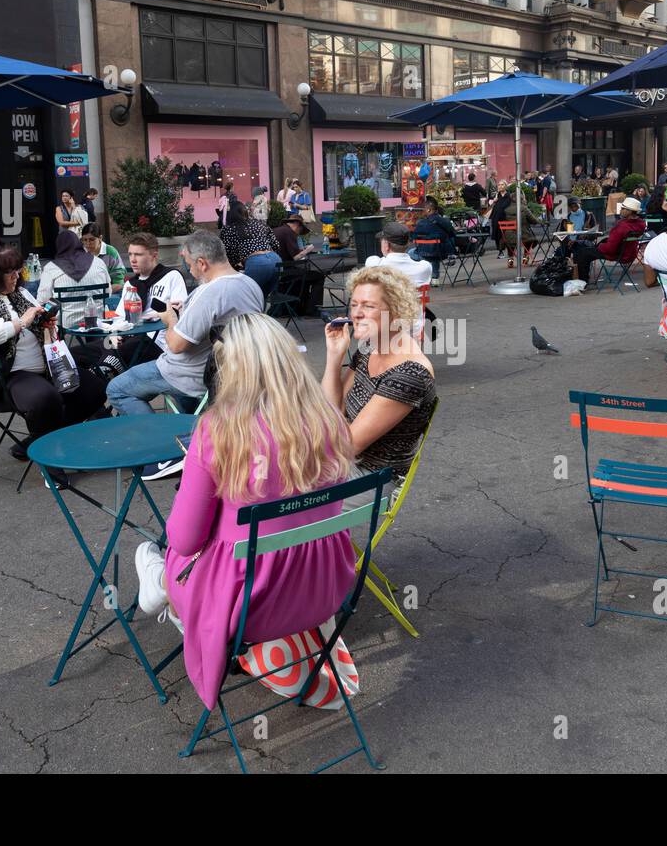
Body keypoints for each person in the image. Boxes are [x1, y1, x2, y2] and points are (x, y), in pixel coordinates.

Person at [132, 311, 357, 703]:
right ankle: (162, 586)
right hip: (323, 588)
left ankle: (163, 586)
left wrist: (197, 475)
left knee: (159, 551)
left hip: (248, 604)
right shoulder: (330, 420)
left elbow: (184, 540)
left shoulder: (218, 432)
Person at [107, 231, 263, 479]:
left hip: (189, 373)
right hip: (230, 371)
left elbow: (178, 345)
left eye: (190, 265)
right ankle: (192, 434)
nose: (189, 271)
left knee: (117, 388)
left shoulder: (209, 292)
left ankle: (163, 454)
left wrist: (170, 320)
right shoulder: (250, 284)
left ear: (202, 263)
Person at [0, 240, 108, 484]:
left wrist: (47, 323)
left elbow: (38, 315)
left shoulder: (19, 293)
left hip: (44, 366)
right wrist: (22, 323)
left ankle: (35, 442)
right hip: (6, 376)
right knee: (45, 398)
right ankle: (51, 462)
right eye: (9, 271)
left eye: (18, 269)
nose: (17, 276)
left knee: (94, 389)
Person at [323, 266, 437, 478]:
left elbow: (348, 447)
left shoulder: (410, 374)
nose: (356, 313)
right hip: (345, 465)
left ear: (396, 312)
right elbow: (332, 409)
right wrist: (334, 356)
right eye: (354, 304)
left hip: (370, 478)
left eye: (368, 306)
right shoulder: (368, 349)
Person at [120, 231, 190, 364]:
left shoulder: (171, 276)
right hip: (129, 338)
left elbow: (181, 312)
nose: (132, 259)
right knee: (85, 351)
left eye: (138, 255)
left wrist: (158, 314)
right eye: (130, 254)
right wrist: (113, 336)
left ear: (154, 255)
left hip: (157, 343)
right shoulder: (130, 284)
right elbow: (119, 317)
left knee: (118, 352)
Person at [35, 229, 113, 330]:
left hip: (65, 323)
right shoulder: (99, 263)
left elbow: (42, 300)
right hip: (97, 320)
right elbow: (108, 292)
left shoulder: (51, 268)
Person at [565, 198, 646, 284]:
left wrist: (599, 246)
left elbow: (610, 248)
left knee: (582, 253)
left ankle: (582, 281)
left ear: (630, 211)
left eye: (623, 208)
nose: (621, 210)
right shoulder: (640, 224)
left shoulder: (622, 226)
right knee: (586, 250)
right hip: (629, 252)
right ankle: (582, 279)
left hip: (617, 254)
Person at [220, 201, 282, 298]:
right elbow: (276, 245)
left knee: (247, 297)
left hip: (256, 262)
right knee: (262, 297)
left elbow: (227, 251)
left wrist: (236, 264)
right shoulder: (259, 224)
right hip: (276, 260)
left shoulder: (229, 229)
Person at [275, 212, 325, 316]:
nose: (299, 233)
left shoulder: (277, 230)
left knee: (306, 275)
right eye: (300, 230)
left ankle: (301, 308)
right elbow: (296, 257)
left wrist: (300, 250)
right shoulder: (289, 232)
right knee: (319, 276)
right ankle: (312, 310)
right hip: (286, 272)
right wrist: (308, 249)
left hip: (277, 271)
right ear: (298, 225)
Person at [364, 222, 432, 289]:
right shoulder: (424, 267)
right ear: (407, 244)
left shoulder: (374, 264)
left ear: (386, 244)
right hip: (413, 300)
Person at [411, 196, 457, 287]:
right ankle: (435, 278)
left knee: (409, 253)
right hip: (442, 253)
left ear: (428, 210)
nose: (423, 211)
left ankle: (421, 278)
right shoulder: (445, 221)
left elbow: (414, 237)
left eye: (424, 209)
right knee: (434, 251)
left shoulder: (421, 223)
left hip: (422, 253)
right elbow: (452, 234)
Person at [80, 222, 125, 293]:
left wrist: (101, 293)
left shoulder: (111, 252)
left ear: (100, 238)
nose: (88, 244)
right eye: (85, 240)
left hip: (109, 291)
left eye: (92, 240)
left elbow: (118, 282)